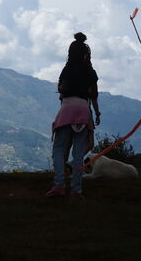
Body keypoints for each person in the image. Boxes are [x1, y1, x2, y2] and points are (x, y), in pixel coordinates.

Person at [46, 33, 100, 200]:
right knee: (78, 153)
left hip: (67, 109)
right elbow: (94, 96)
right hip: (84, 110)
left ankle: (59, 184)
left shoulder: (66, 69)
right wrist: (96, 113)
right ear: (86, 52)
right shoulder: (90, 72)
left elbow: (61, 92)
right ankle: (76, 190)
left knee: (59, 148)